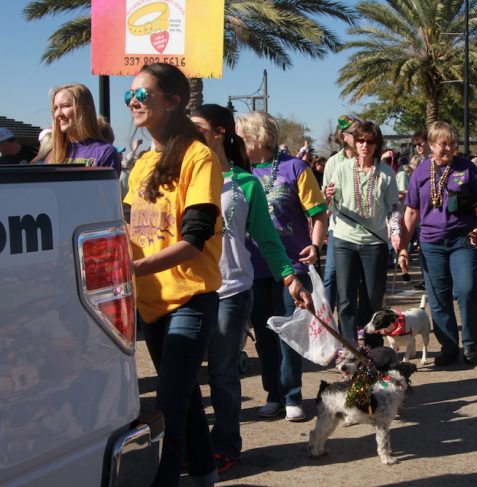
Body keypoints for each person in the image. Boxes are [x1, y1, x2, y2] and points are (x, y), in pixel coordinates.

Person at [190, 104, 313, 472]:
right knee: (185, 374)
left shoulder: (246, 183)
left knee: (223, 371)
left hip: (230, 290)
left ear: (219, 133)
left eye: (198, 127)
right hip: (187, 291)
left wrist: (290, 277)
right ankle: (192, 445)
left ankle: (226, 444)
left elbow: (268, 239)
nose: (190, 133)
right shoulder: (183, 177)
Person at [123, 62, 221, 487]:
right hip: (150, 303)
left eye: (142, 94)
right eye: (130, 94)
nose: (132, 101)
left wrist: (132, 268)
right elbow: (127, 228)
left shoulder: (199, 157)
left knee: (168, 406)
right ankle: (204, 475)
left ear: (172, 101)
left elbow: (194, 240)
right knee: (185, 402)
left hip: (190, 300)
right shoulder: (144, 163)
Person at [236, 111, 327, 422]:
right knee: (263, 334)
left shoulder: (296, 168)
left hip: (292, 265)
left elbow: (318, 213)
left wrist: (315, 245)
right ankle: (273, 394)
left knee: (288, 332)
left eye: (241, 137)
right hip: (253, 266)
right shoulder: (238, 172)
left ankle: (291, 395)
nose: (236, 142)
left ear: (256, 138)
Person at [398, 121, 477, 366]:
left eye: (452, 143)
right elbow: (411, 212)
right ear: (430, 145)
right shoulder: (419, 172)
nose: (448, 148)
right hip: (431, 243)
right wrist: (403, 247)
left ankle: (470, 345)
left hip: (463, 239)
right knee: (438, 298)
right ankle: (449, 348)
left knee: (466, 289)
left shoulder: (467, 168)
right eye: (442, 144)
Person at [325, 120, 400, 345]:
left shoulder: (386, 174)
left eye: (370, 141)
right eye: (360, 140)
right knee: (346, 299)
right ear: (354, 142)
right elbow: (328, 207)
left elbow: (393, 210)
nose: (364, 145)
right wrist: (326, 196)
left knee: (372, 299)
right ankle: (349, 347)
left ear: (377, 144)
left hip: (375, 242)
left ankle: (372, 349)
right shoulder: (341, 168)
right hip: (344, 240)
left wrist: (395, 233)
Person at [322, 115, 360, 312]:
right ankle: (327, 324)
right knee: (331, 276)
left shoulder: (369, 161)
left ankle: (361, 326)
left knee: (358, 280)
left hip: (366, 231)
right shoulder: (333, 163)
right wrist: (326, 196)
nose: (360, 138)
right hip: (338, 229)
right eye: (355, 134)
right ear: (344, 137)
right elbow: (323, 200)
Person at [46, 84, 121, 175]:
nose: (58, 114)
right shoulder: (53, 155)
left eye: (65, 106)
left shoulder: (105, 153)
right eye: (55, 108)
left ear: (84, 109)